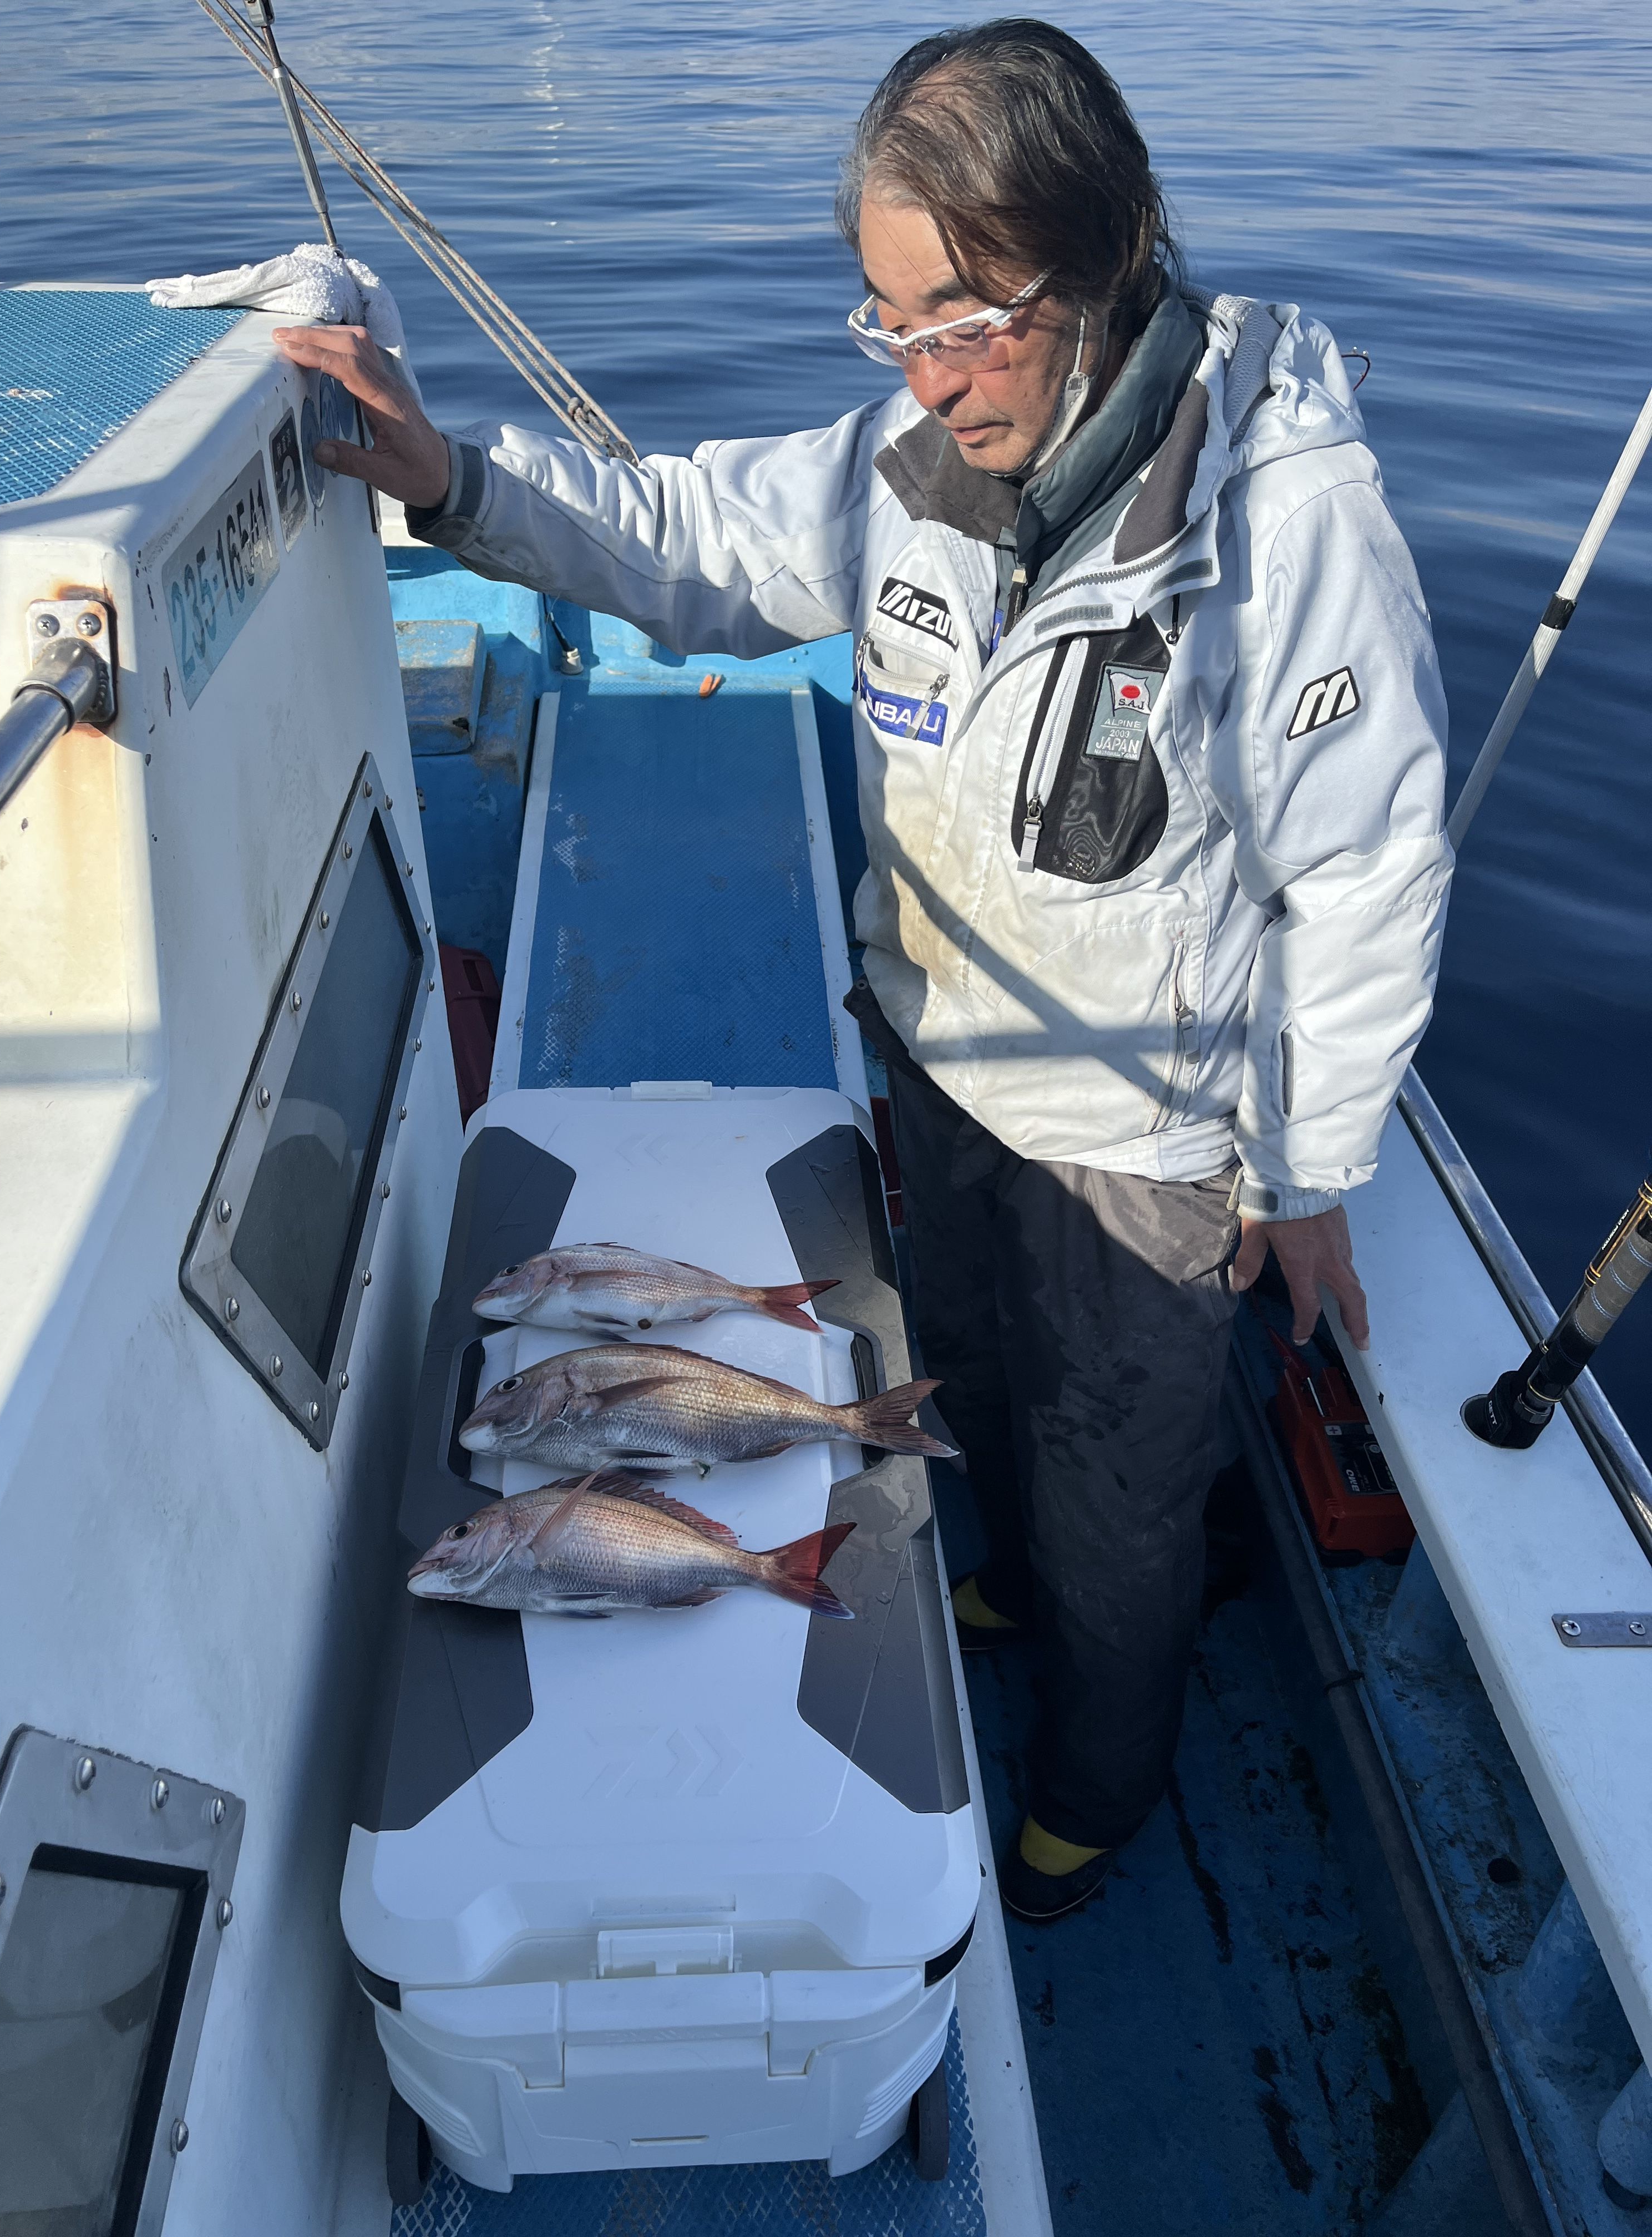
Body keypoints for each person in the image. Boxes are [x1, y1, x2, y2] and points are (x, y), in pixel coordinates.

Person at [275, 18, 1451, 1924]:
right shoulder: (904, 466)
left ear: (1106, 263)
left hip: (1141, 1144)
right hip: (939, 1057)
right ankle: (1037, 1584)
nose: (929, 377)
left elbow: (1369, 869)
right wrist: (455, 481)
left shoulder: (1286, 529)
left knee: (1115, 1477)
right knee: (968, 1373)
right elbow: (690, 539)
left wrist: (1310, 1173)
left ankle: (1103, 1778)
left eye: (968, 321)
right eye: (892, 325)